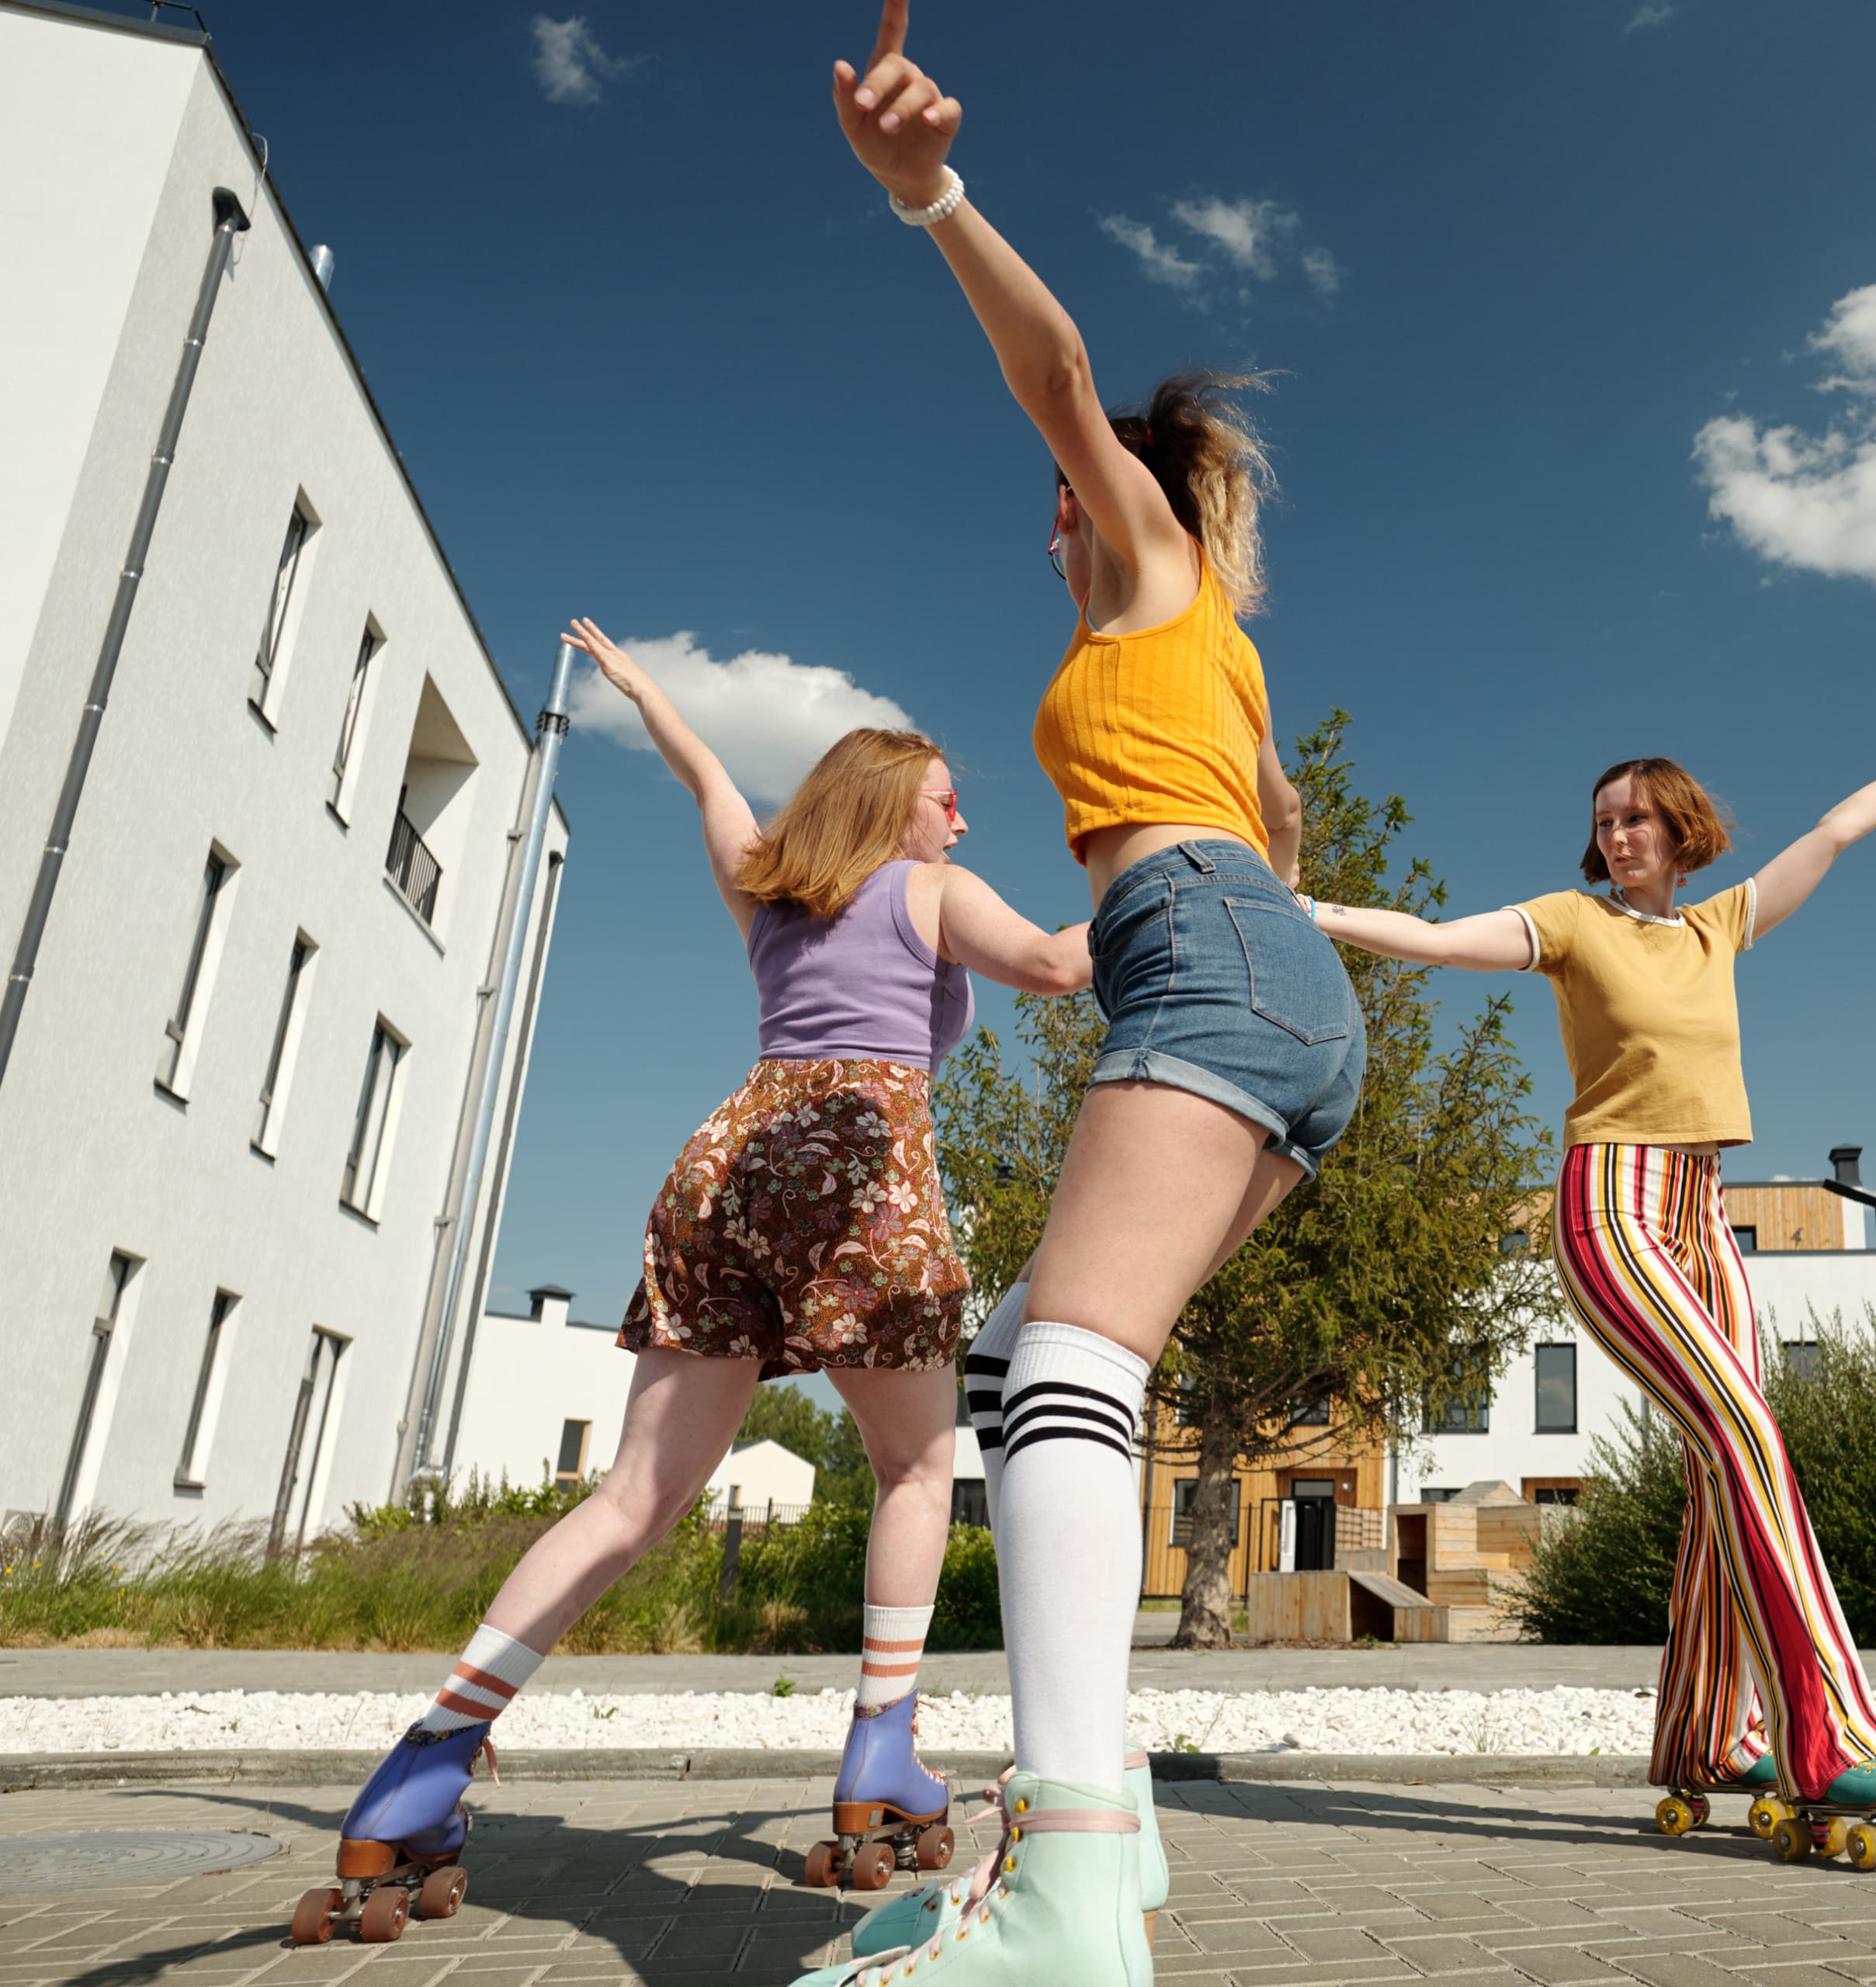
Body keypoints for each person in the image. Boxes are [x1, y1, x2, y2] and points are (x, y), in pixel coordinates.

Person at [810, 6, 1364, 1981]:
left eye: (1073, 492)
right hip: (1276, 990)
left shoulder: (1146, 564)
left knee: (1063, 1374)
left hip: (1206, 962)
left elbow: (1053, 377)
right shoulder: (1223, 669)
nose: (1052, 513)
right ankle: (1105, 1849)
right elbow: (1279, 839)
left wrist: (930, 194)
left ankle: (1061, 1889)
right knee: (1042, 1340)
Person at [289, 619, 1091, 1948]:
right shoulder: (933, 892)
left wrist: (643, 688)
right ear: (899, 807)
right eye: (947, 795)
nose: (960, 814)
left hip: (726, 1168)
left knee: (634, 1497)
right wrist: (1177, 865)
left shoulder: (767, 893)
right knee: (914, 1467)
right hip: (859, 1170)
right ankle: (878, 1755)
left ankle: (429, 1757)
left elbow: (707, 777)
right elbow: (1062, 968)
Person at [1299, 704, 1876, 1866]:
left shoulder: (1721, 928)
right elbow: (1437, 938)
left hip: (1708, 1211)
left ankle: (1711, 1740)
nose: (1618, 836)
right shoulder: (1571, 924)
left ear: (1682, 831)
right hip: (1611, 1205)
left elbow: (1830, 835)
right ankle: (1828, 1738)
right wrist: (1306, 910)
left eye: (1639, 819)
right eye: (1605, 822)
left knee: (1731, 1467)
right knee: (1748, 1437)